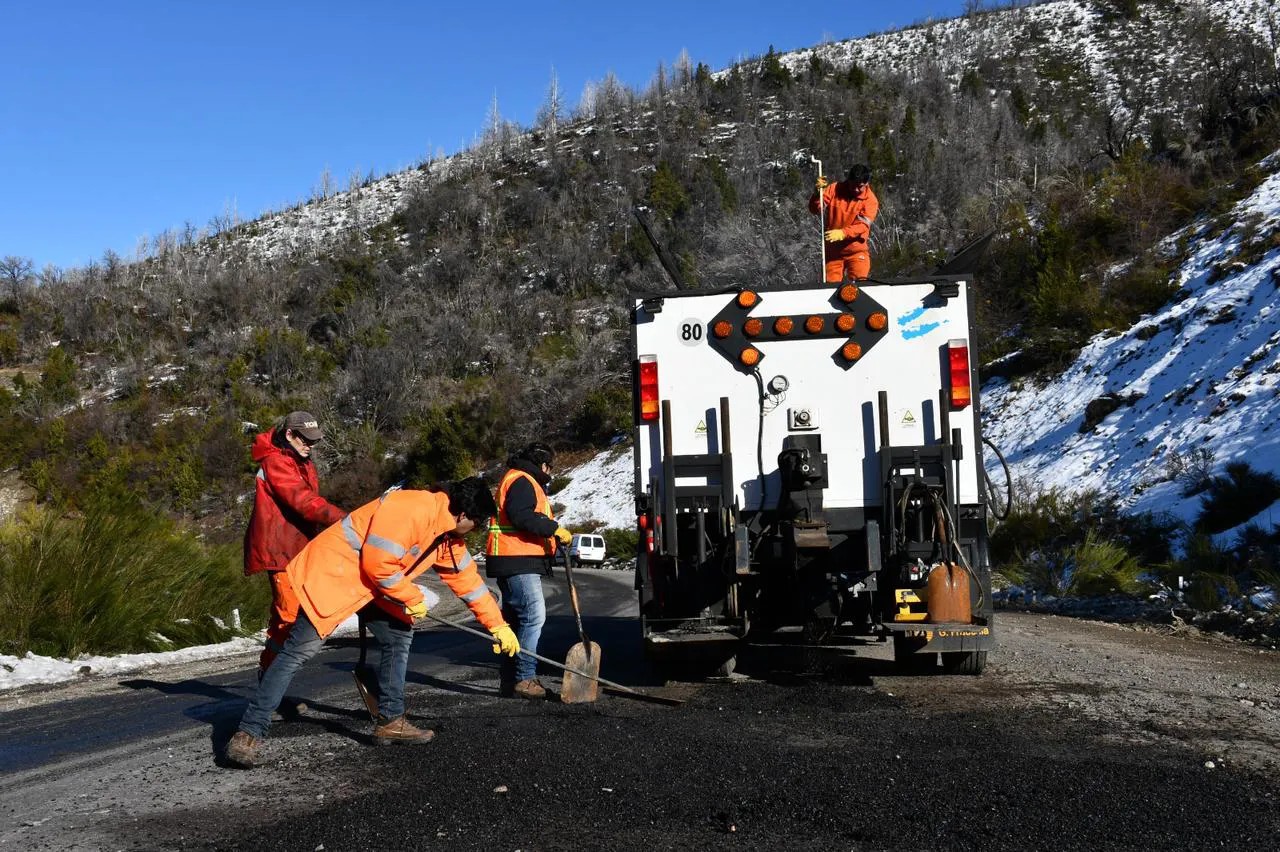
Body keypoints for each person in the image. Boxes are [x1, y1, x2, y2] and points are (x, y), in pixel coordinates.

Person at [224, 477, 518, 769]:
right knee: (297, 652)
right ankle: (248, 732)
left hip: (371, 587)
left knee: (398, 636)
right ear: (463, 515)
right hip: (335, 576)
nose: (476, 530)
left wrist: (498, 626)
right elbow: (378, 563)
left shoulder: (448, 537)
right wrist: (411, 596)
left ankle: (390, 721)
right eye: (477, 523)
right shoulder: (413, 508)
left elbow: (470, 584)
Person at [243, 411, 346, 681]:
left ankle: (270, 680)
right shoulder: (276, 462)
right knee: (288, 618)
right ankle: (270, 682)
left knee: (292, 617)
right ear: (289, 435)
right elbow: (303, 502)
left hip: (298, 549)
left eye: (313, 440)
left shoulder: (301, 460)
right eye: (305, 439)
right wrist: (345, 520)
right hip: (280, 551)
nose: (310, 445)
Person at [484, 442, 573, 700]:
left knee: (514, 622)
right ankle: (525, 678)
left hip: (512, 558)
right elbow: (521, 516)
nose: (550, 472)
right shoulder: (523, 480)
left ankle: (510, 680)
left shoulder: (516, 477)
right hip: (518, 560)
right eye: (550, 466)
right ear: (543, 464)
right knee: (533, 617)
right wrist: (553, 528)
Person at [808, 163, 880, 282]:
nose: (856, 189)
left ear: (867, 184)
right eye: (853, 185)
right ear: (848, 180)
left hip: (856, 251)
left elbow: (862, 226)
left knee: (859, 285)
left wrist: (843, 233)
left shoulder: (871, 201)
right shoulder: (835, 188)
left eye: (860, 186)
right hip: (833, 252)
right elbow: (815, 209)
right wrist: (817, 195)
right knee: (830, 288)